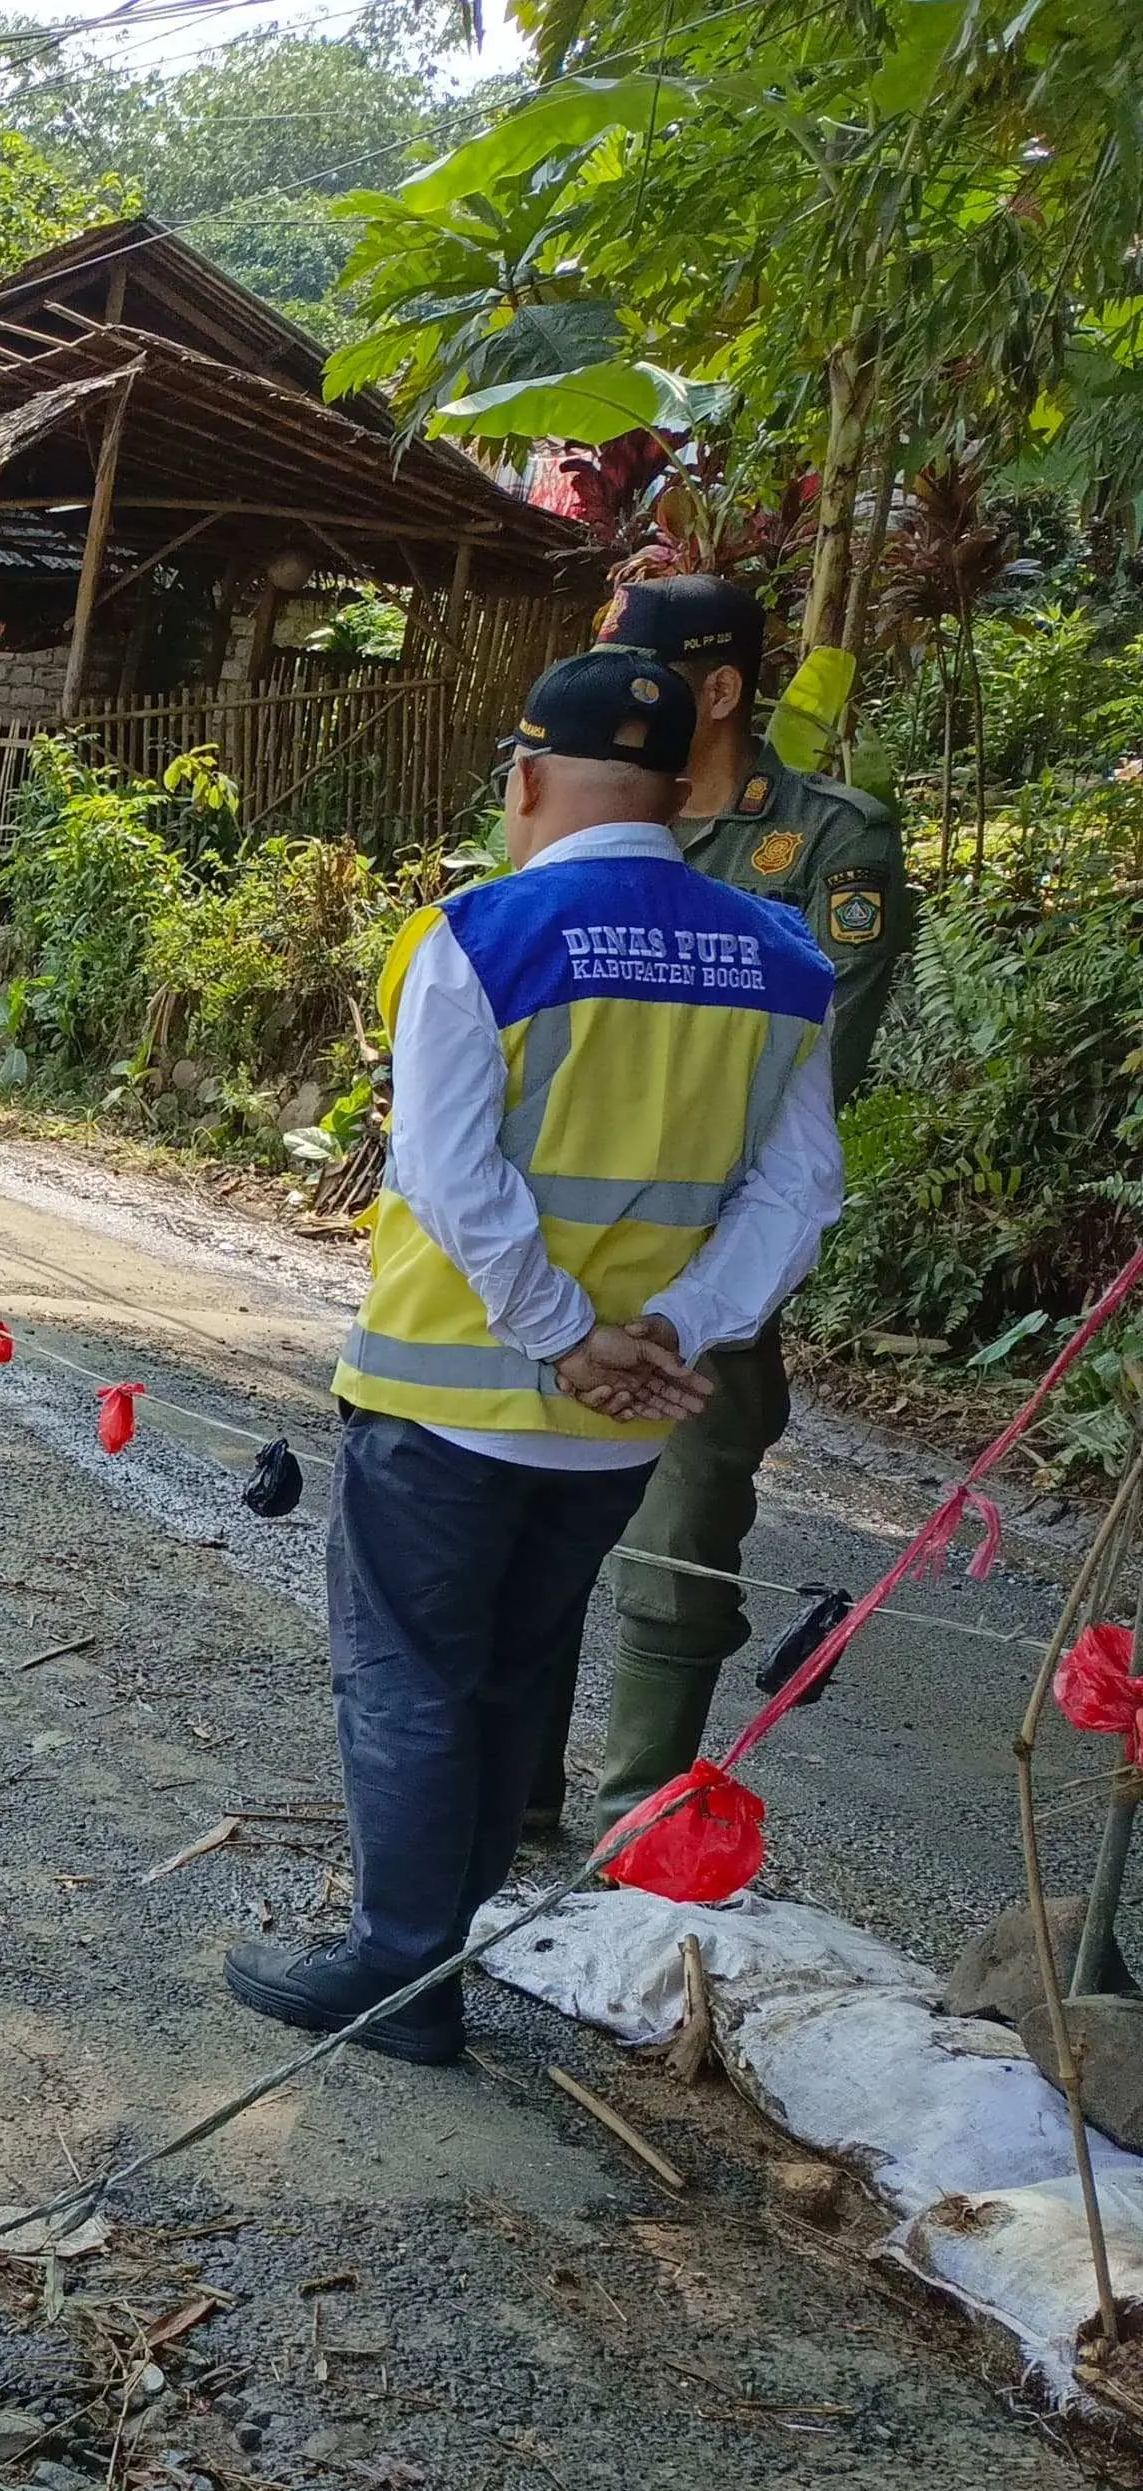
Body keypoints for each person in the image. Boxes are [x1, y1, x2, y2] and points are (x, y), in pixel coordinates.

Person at [224, 646, 842, 2064]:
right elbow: (798, 1192)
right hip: (623, 1417)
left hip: (452, 1389)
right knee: (511, 1666)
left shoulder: (481, 933)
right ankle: (443, 1946)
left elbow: (448, 1172)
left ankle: (400, 1973)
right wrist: (671, 1329)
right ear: (690, 790)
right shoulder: (784, 959)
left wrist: (564, 1335)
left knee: (408, 1673)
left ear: (525, 777)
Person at [513, 573, 912, 1835]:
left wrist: (688, 1296)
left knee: (677, 1555)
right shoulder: (567, 800)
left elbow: (808, 1078)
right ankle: (507, 1801)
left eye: (644, 669)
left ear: (720, 689)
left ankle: (635, 1833)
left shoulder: (821, 843)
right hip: (545, 1253)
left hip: (712, 1262)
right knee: (518, 1528)